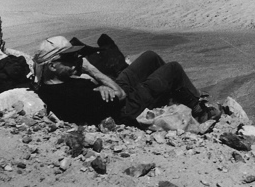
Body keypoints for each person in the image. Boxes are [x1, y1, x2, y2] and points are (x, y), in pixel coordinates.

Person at [32, 36, 220, 126]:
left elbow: (105, 91)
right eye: (70, 59)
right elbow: (120, 96)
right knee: (173, 69)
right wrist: (90, 69)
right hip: (125, 107)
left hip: (111, 93)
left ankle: (170, 95)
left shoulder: (51, 82)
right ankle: (199, 111)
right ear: (52, 66)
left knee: (150, 57)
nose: (77, 62)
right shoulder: (69, 94)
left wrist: (101, 87)